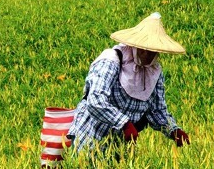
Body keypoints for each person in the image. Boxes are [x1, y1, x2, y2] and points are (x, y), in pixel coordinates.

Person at [68, 12, 190, 154]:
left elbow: (156, 110)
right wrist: (124, 124)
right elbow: (95, 101)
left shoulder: (154, 71)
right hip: (91, 137)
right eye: (145, 49)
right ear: (135, 45)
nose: (148, 54)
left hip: (121, 144)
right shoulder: (111, 59)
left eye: (153, 51)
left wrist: (173, 131)